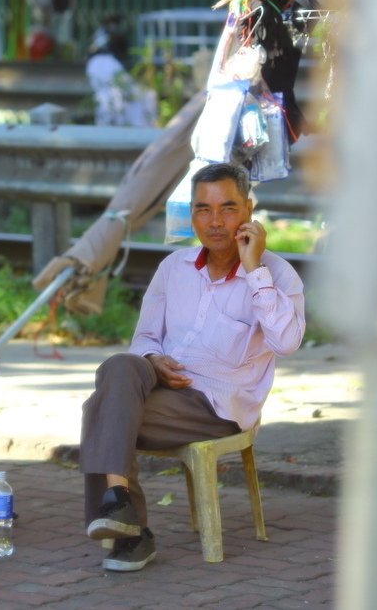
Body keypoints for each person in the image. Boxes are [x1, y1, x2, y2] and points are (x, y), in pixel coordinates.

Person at [78, 162, 305, 572]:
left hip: (216, 405)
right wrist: (154, 360)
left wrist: (254, 271)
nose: (215, 222)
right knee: (119, 366)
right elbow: (144, 337)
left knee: (100, 409)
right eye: (203, 209)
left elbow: (286, 343)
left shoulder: (278, 275)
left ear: (249, 210)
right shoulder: (174, 268)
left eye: (228, 208)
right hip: (160, 386)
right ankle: (121, 508)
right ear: (193, 213)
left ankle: (128, 529)